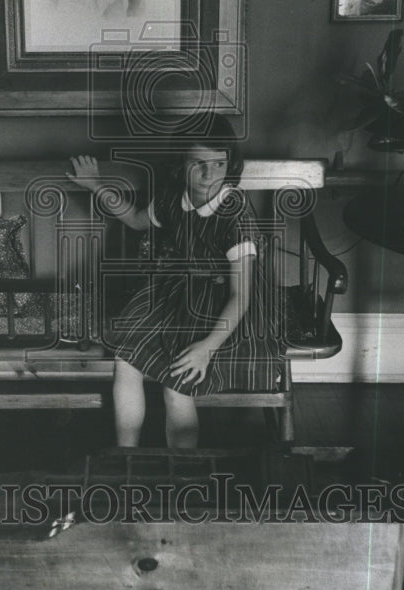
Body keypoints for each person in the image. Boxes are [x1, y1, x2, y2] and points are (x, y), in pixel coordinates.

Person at [67, 115, 282, 449]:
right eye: (198, 163)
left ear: (230, 163)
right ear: (181, 162)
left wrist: (207, 348)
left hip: (221, 307)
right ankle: (126, 457)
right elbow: (137, 221)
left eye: (219, 163)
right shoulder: (173, 197)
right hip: (174, 291)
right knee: (124, 360)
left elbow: (241, 295)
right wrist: (96, 185)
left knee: (177, 382)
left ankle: (183, 473)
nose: (209, 175)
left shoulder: (236, 213)